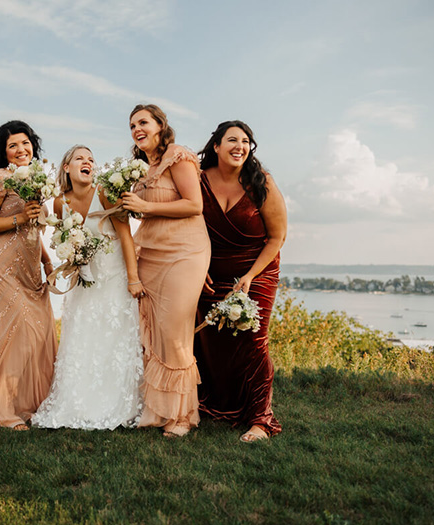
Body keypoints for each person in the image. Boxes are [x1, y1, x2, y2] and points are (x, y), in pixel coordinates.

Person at [32, 145, 143, 430]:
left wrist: (133, 278)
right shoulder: (59, 203)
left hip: (115, 277)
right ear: (66, 167)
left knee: (113, 337)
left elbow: (126, 237)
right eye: (80, 158)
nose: (88, 162)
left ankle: (116, 402)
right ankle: (79, 402)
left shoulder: (105, 193)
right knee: (83, 336)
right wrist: (73, 259)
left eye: (91, 159)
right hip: (83, 280)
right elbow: (64, 242)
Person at [121, 104, 211, 437]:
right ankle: (159, 410)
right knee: (156, 331)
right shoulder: (143, 169)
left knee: (175, 332)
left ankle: (184, 415)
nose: (136, 129)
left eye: (143, 122)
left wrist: (146, 206)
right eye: (131, 126)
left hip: (184, 252)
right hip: (152, 252)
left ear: (160, 125)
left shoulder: (178, 156)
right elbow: (141, 212)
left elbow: (194, 205)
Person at [194, 120, 287, 442]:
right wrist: (197, 264)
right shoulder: (198, 179)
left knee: (253, 340)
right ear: (216, 146)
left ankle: (260, 419)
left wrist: (249, 277)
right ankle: (213, 406)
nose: (240, 146)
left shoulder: (262, 183)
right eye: (232, 140)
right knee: (210, 341)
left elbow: (277, 237)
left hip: (256, 270)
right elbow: (189, 227)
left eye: (245, 141)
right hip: (209, 270)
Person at [0, 120, 58, 430]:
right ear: (4, 152)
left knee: (37, 332)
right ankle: (1, 409)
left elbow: (35, 227)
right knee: (14, 331)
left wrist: (46, 261)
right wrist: (19, 217)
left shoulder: (36, 179)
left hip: (30, 266)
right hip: (0, 264)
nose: (21, 149)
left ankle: (28, 404)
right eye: (13, 146)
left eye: (25, 143)